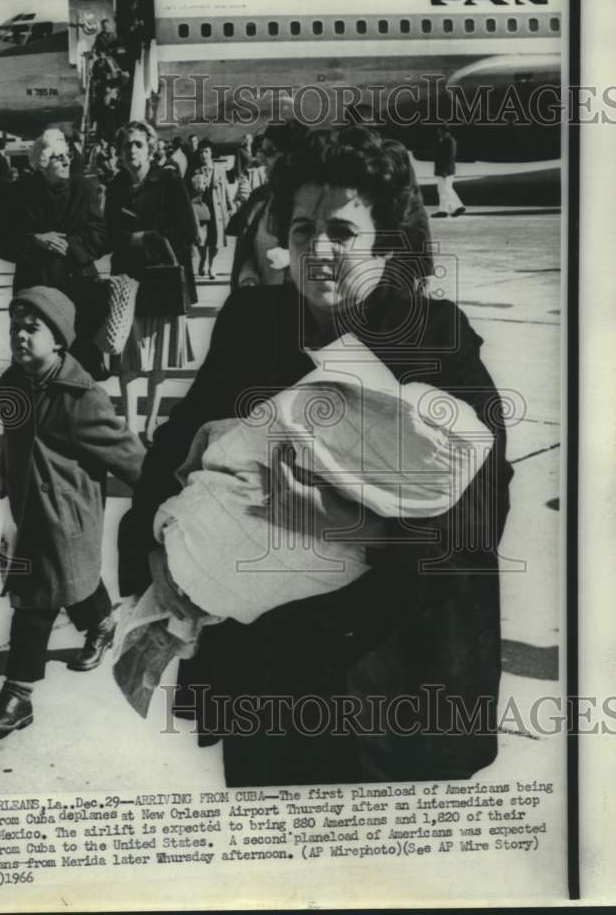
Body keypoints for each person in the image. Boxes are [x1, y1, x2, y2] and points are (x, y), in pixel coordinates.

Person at [124, 125, 512, 787]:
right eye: (301, 230)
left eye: (341, 231)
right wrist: (153, 554)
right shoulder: (253, 324)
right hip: (270, 668)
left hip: (391, 675)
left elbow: (481, 507)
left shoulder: (436, 339)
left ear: (385, 242)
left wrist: (355, 527)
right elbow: (173, 445)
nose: (318, 250)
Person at [0, 286, 145, 734]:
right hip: (31, 510)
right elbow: (12, 437)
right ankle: (103, 624)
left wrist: (164, 493)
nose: (20, 337)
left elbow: (128, 454)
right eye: (15, 328)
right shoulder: (11, 384)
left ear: (58, 340)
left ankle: (18, 694)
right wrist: (3, 470)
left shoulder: (80, 396)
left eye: (32, 329)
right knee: (74, 584)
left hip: (68, 516)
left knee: (34, 602)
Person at [105, 121, 198, 442]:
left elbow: (188, 231)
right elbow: (107, 233)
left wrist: (150, 239)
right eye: (127, 145)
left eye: (138, 145)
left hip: (163, 280)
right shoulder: (117, 184)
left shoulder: (169, 179)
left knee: (158, 357)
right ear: (119, 152)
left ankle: (151, 423)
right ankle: (131, 426)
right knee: (128, 358)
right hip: (128, 281)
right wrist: (126, 239)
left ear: (150, 148)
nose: (132, 150)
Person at [0, 127, 107, 378]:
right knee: (35, 361)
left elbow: (99, 235)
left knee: (80, 362)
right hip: (36, 290)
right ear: (42, 163)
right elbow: (3, 243)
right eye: (58, 157)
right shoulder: (18, 193)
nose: (67, 161)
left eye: (66, 155)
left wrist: (72, 245)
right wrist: (34, 240)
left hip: (78, 287)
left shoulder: (83, 188)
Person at [229, 121, 305, 288]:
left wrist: (293, 259)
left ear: (293, 155)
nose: (261, 158)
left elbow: (336, 264)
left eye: (270, 151)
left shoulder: (318, 202)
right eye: (261, 150)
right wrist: (247, 277)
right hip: (263, 306)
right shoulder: (260, 198)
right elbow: (248, 253)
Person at [192, 139, 234, 279]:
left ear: (210, 153)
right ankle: (203, 259)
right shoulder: (194, 170)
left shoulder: (220, 169)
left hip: (217, 209)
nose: (203, 154)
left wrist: (230, 204)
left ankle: (212, 266)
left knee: (215, 239)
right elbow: (190, 191)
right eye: (201, 152)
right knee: (202, 238)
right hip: (201, 209)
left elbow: (226, 189)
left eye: (206, 151)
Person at [433, 123, 465, 218]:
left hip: (446, 170)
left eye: (438, 129)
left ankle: (458, 207)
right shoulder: (442, 140)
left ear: (443, 130)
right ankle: (444, 210)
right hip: (442, 169)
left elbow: (450, 156)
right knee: (442, 190)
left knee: (446, 189)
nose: (437, 131)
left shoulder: (450, 141)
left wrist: (445, 170)